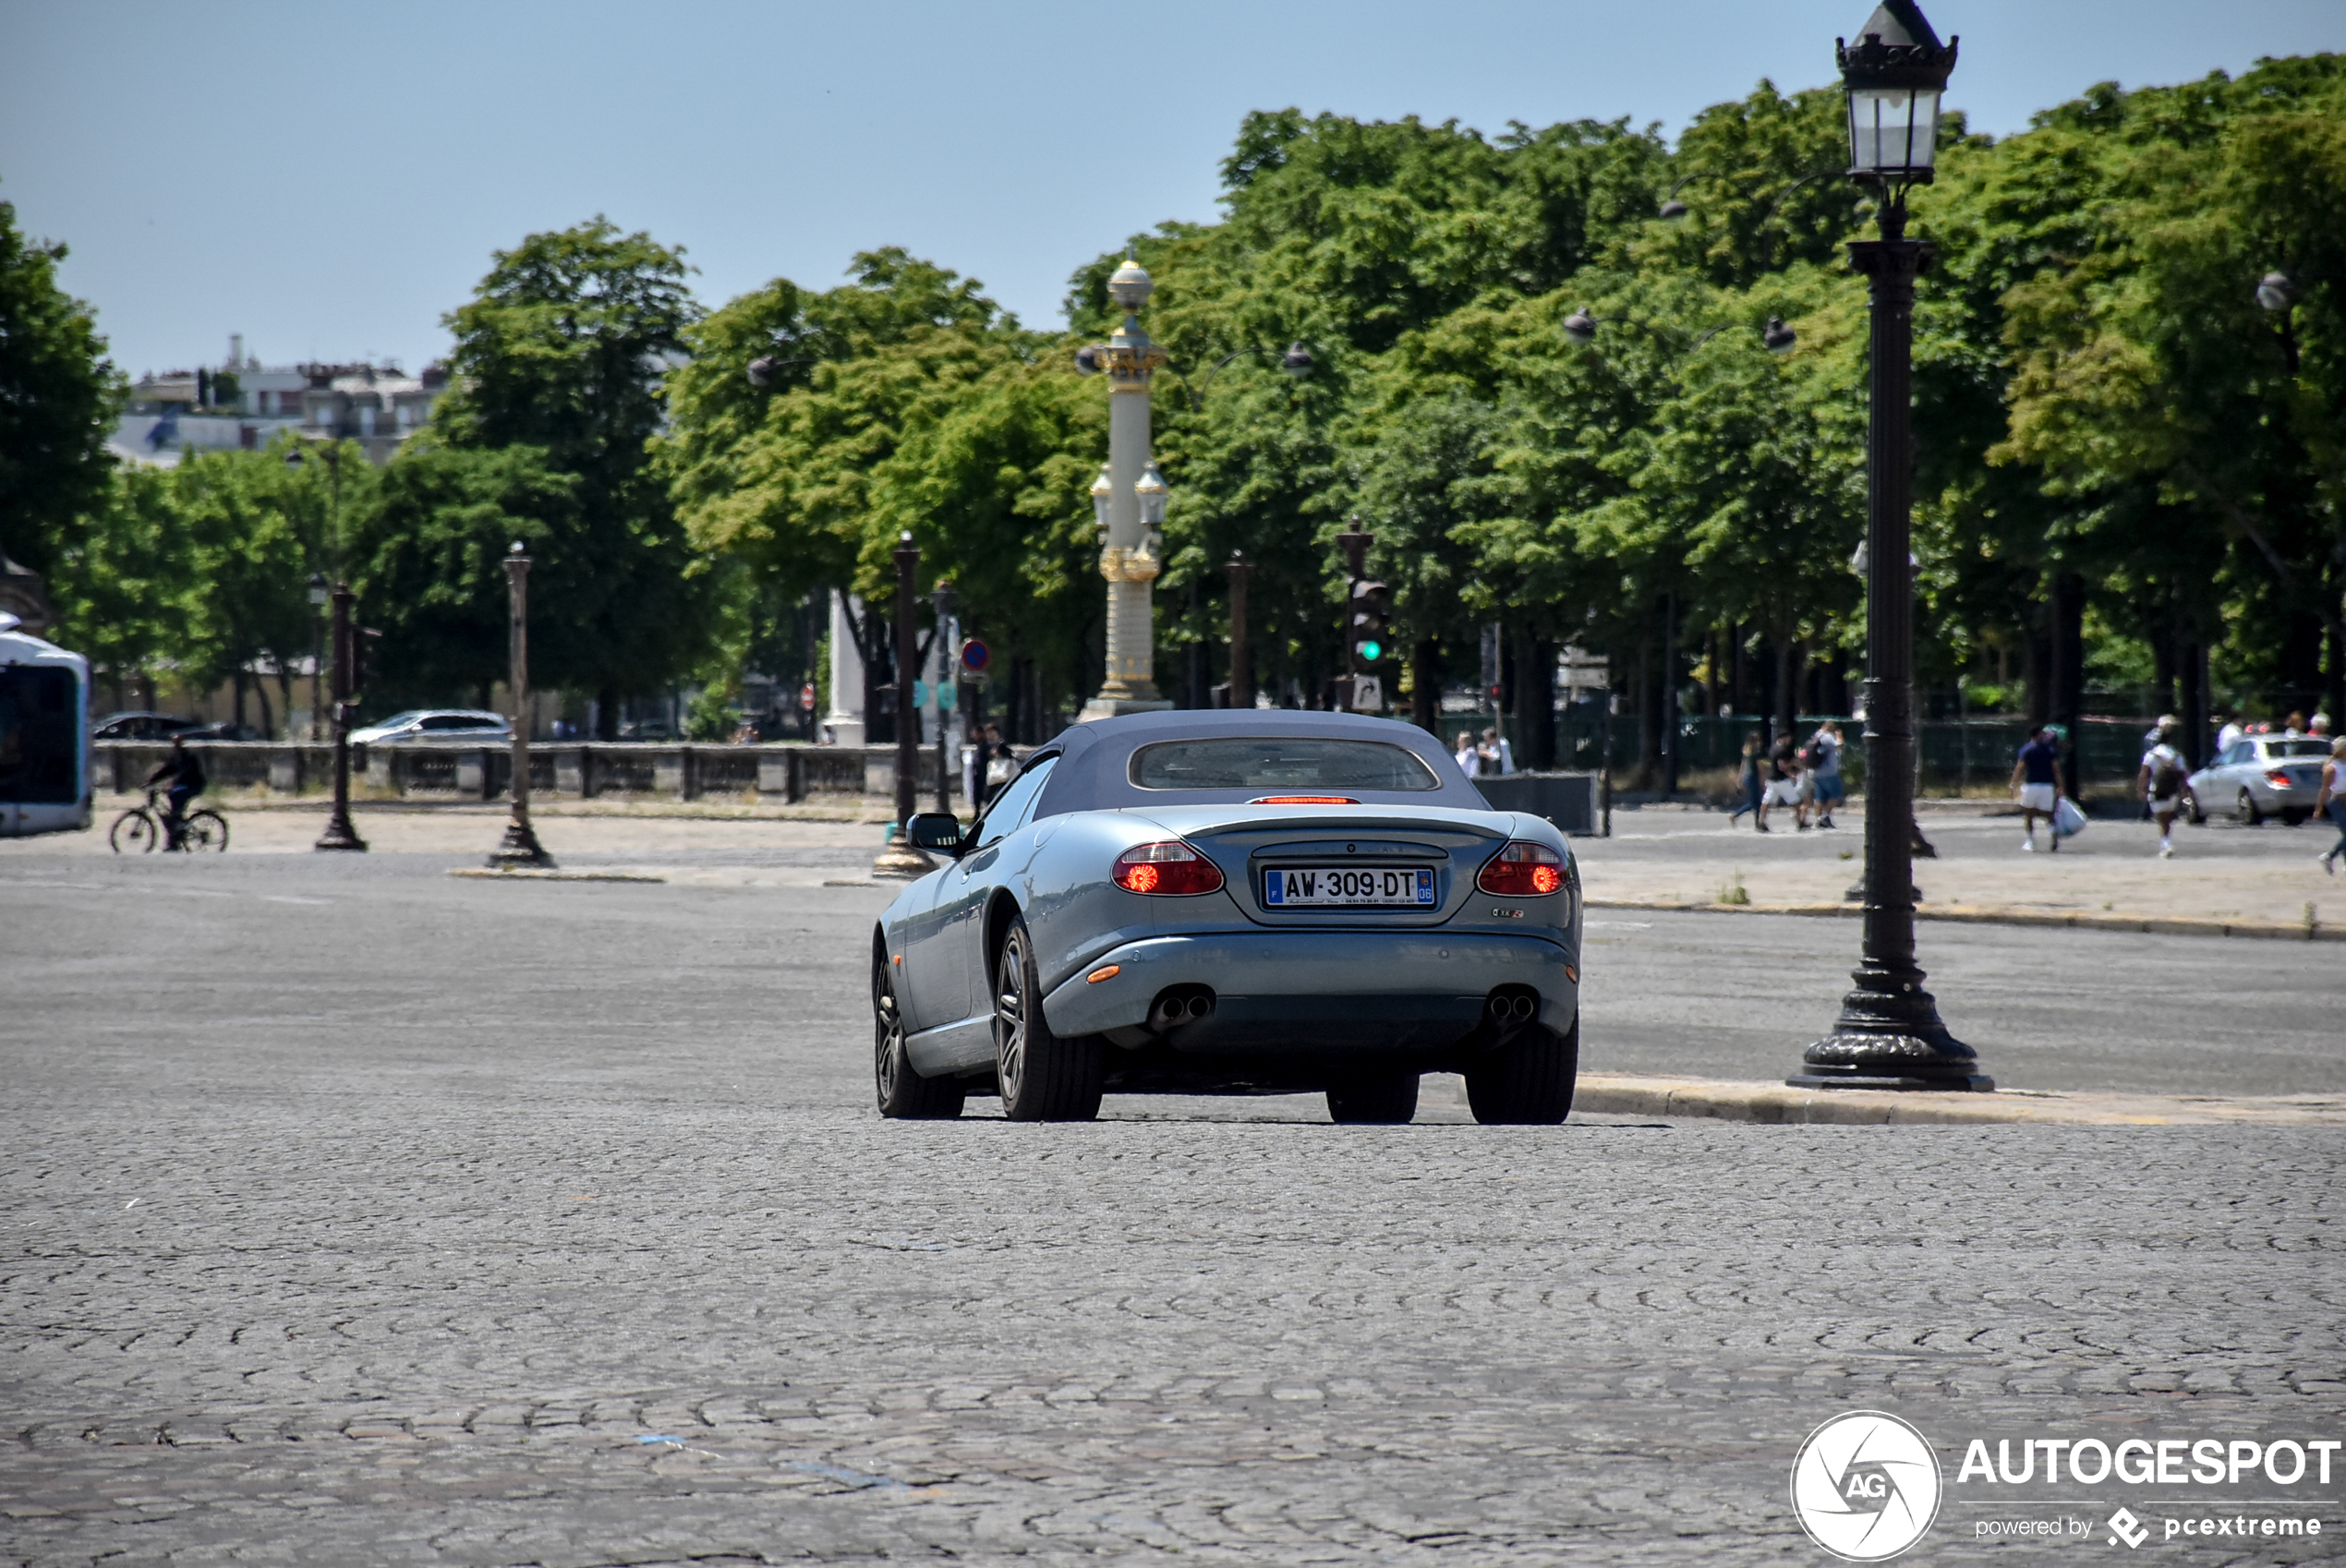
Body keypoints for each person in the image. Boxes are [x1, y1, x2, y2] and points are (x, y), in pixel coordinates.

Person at [143, 734, 206, 850]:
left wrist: (173, 786)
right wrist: (151, 782)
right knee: (172, 807)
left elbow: (187, 774)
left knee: (176, 802)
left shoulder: (188, 756)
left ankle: (176, 838)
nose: (175, 745)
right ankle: (174, 839)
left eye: (178, 742)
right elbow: (168, 770)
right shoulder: (176, 757)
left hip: (193, 785)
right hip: (183, 785)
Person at [2138, 720, 2189, 859]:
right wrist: (2186, 790)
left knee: (2161, 820)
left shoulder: (2151, 755)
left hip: (2157, 791)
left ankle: (2166, 844)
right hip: (2173, 792)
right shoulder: (2176, 755)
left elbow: (2144, 774)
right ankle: (2166, 843)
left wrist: (2141, 789)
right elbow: (2184, 774)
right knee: (2167, 819)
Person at [2010, 724, 2063, 852]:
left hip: (2032, 785)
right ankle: (2053, 832)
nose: (2044, 736)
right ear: (2036, 734)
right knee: (2048, 813)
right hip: (2047, 786)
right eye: (2042, 733)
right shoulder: (2049, 750)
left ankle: (2030, 841)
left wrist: (2013, 784)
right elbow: (2056, 769)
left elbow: (2020, 767)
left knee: (2029, 814)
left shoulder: (2027, 749)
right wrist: (2060, 786)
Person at [1757, 733, 1800, 833]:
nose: (1789, 741)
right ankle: (1800, 822)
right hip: (1782, 780)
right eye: (1788, 739)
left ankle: (1761, 822)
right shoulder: (1782, 750)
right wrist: (1793, 762)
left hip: (1772, 779)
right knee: (1795, 802)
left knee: (1766, 803)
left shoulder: (1773, 748)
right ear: (1783, 738)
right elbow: (1782, 766)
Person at [1809, 721, 1845, 829]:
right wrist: (1840, 736)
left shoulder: (1815, 736)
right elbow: (1839, 746)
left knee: (1819, 797)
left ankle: (1819, 819)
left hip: (1816, 772)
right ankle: (1824, 817)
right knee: (1836, 794)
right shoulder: (1827, 737)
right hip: (1829, 772)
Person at [2318, 737, 2346, 874]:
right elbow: (2324, 789)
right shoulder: (2332, 768)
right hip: (2337, 802)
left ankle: (2330, 857)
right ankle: (2329, 857)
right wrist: (2319, 808)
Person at [1728, 730, 1764, 824]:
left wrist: (1740, 780)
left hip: (1747, 777)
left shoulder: (1746, 751)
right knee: (1755, 803)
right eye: (1758, 741)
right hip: (1753, 777)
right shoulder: (1756, 753)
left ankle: (1757, 822)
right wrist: (1762, 781)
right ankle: (1736, 815)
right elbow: (1760, 767)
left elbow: (1743, 765)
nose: (1759, 743)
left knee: (1756, 802)